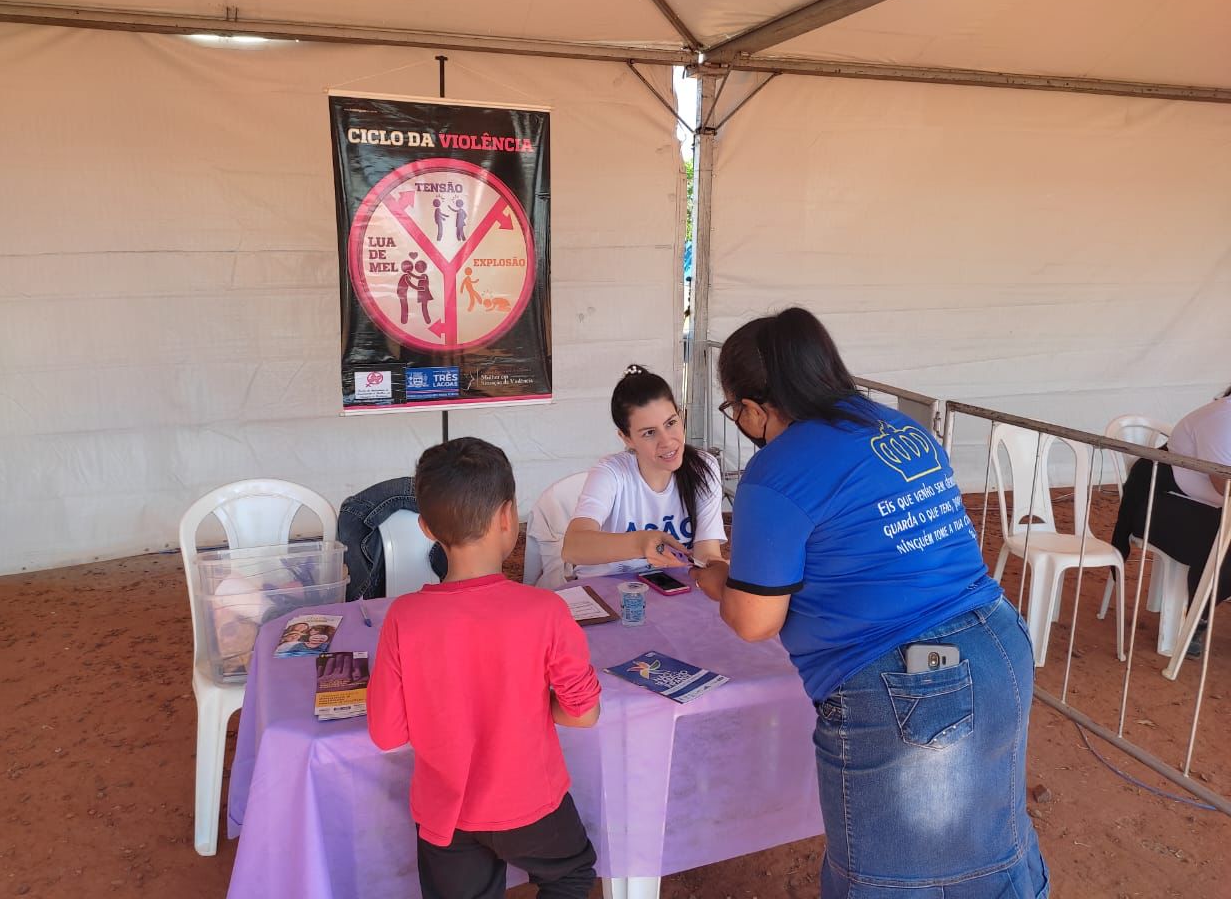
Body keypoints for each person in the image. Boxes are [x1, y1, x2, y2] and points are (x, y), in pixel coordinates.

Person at [689, 307, 1049, 898]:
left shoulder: (777, 471)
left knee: (890, 879)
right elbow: (870, 548)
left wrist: (716, 581)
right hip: (998, 645)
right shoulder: (900, 428)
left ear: (754, 405)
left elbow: (754, 620)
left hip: (908, 684)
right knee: (995, 853)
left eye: (735, 410)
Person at [368, 437, 601, 899]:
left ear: (426, 529)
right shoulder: (545, 610)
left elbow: (387, 735)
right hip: (532, 805)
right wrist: (536, 702)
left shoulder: (403, 618)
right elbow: (583, 714)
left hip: (445, 816)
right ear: (508, 516)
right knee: (572, 874)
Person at [562, 365, 724, 578]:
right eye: (649, 433)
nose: (667, 441)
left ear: (681, 417)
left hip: (674, 589)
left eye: (671, 423)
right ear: (626, 438)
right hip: (607, 589)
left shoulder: (702, 468)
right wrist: (641, 543)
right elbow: (573, 547)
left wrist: (724, 571)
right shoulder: (611, 473)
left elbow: (707, 554)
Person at [1112, 385, 1231, 657]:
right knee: (1221, 543)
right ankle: (1196, 618)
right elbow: (1225, 486)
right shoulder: (1222, 420)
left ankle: (1202, 607)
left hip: (1204, 507)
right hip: (1156, 503)